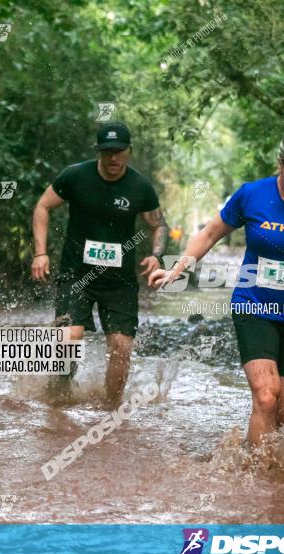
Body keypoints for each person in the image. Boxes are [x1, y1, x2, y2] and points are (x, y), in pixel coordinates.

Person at [148, 130, 284, 452]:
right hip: (254, 306)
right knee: (265, 396)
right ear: (281, 165)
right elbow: (209, 234)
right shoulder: (252, 195)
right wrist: (175, 269)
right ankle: (259, 478)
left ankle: (250, 456)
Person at [31, 121, 168, 406]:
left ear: (129, 151)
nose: (113, 158)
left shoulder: (140, 187)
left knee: (121, 349)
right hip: (76, 275)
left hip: (118, 282)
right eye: (107, 152)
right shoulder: (75, 177)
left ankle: (110, 408)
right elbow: (43, 206)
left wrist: (156, 255)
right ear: (98, 151)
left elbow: (159, 225)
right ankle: (58, 394)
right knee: (68, 339)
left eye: (119, 151)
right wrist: (40, 252)